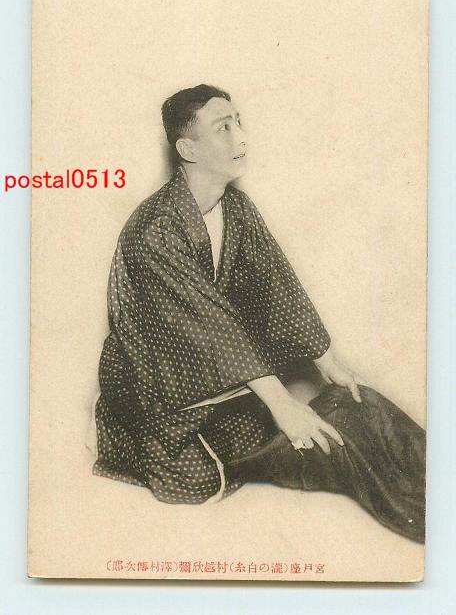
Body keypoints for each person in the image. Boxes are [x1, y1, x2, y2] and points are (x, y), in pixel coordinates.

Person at [93, 84, 425, 543]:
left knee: (355, 406)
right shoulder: (155, 230)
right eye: (223, 128)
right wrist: (283, 404)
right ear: (188, 149)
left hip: (220, 376)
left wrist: (330, 361)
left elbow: (277, 285)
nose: (241, 137)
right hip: (157, 387)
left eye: (238, 123)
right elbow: (209, 325)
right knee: (208, 476)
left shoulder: (236, 206)